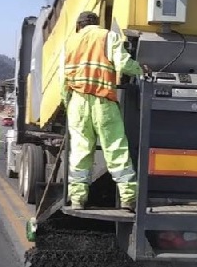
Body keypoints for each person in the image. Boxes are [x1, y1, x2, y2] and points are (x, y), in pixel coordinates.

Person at [63, 11, 151, 212]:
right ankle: (128, 199)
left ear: (79, 25)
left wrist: (68, 103)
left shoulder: (70, 42)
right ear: (96, 23)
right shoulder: (107, 36)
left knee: (80, 150)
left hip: (77, 103)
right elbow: (123, 64)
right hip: (103, 102)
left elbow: (63, 79)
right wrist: (142, 70)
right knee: (116, 149)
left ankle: (77, 199)